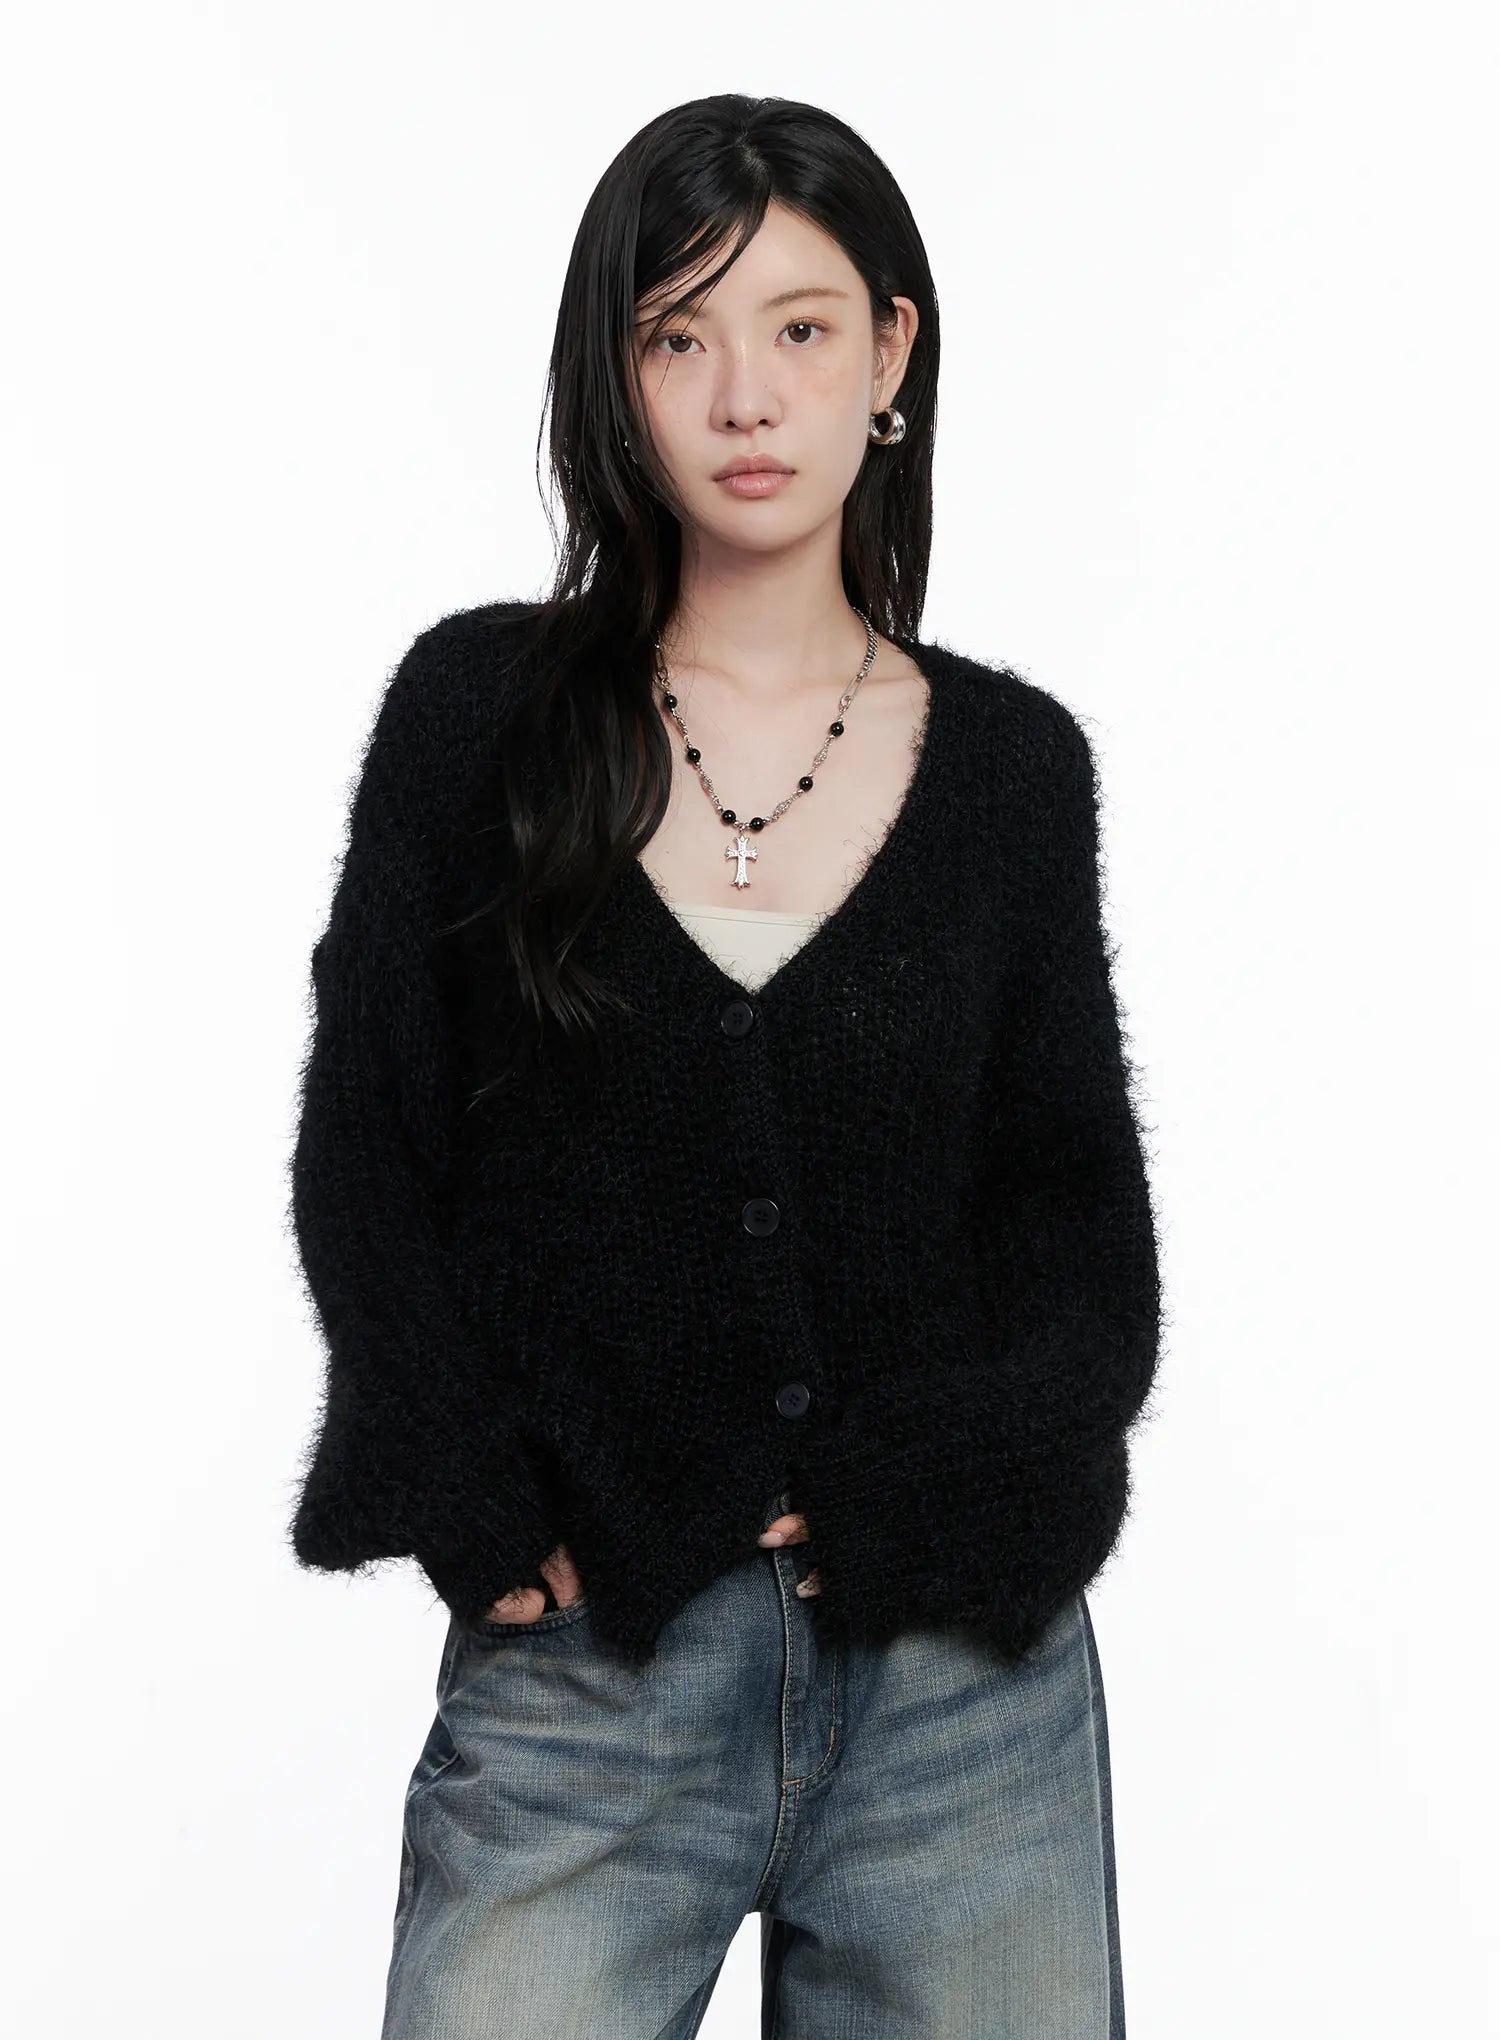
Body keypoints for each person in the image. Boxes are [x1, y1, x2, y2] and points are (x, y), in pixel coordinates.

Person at [287, 92, 1162, 2040]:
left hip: (965, 1697)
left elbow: (1076, 1231)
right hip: (592, 1667)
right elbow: (371, 1149)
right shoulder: (478, 721)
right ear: (614, 376)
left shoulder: (1013, 775)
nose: (745, 395)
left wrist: (939, 1488)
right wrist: (472, 1489)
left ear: (890, 355)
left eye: (801, 327)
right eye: (677, 334)